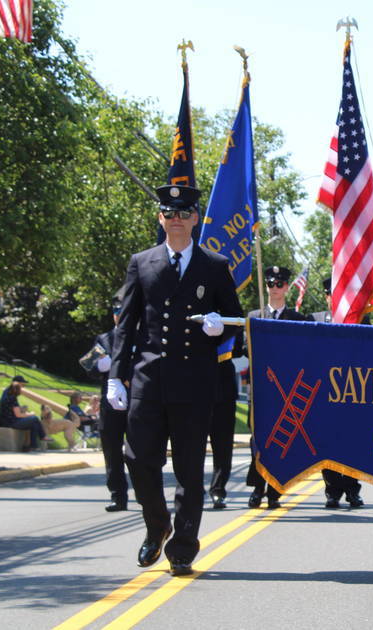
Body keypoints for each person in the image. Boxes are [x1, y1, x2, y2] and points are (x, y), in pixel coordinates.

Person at [105, 183, 242, 577]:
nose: (176, 220)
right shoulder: (141, 262)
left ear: (196, 218)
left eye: (184, 213)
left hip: (195, 382)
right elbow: (126, 326)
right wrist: (117, 376)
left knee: (188, 469)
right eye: (170, 213)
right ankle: (157, 525)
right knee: (138, 458)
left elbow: (234, 320)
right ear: (160, 218)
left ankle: (182, 546)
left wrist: (221, 328)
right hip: (148, 380)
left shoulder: (213, 266)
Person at [245, 265, 312, 510]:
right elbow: (245, 350)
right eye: (271, 284)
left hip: (285, 391)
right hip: (261, 391)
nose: (275, 288)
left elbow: (304, 355)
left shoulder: (298, 320)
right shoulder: (254, 316)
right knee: (258, 442)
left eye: (280, 284)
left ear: (287, 288)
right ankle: (257, 488)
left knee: (280, 443)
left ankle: (274, 491)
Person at [310, 275, 366, 508]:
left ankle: (353, 490)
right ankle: (332, 491)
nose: (336, 297)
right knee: (326, 443)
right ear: (326, 296)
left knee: (353, 443)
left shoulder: (361, 320)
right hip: (323, 392)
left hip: (352, 391)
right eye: (332, 294)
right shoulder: (313, 320)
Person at [83, 292, 130, 512]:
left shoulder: (144, 337)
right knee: (111, 450)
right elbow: (89, 365)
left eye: (122, 310)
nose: (118, 315)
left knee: (141, 451)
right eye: (115, 311)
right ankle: (117, 495)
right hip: (110, 403)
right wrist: (100, 366)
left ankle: (146, 492)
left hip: (137, 400)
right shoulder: (104, 339)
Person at [207, 322, 242, 510]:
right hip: (197, 387)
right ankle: (191, 489)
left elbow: (237, 350)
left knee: (223, 445)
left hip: (224, 390)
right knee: (191, 445)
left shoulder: (231, 323)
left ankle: (218, 490)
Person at [0, 375, 50, 451]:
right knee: (34, 418)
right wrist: (31, 413)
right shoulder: (12, 397)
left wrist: (21, 409)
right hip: (11, 422)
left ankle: (31, 446)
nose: (23, 387)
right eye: (22, 385)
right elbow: (18, 415)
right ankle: (42, 437)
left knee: (34, 423)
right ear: (17, 385)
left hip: (7, 420)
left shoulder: (7, 393)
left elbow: (11, 408)